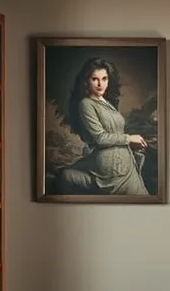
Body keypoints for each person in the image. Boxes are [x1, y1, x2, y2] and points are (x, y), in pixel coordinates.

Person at [55, 57, 150, 196]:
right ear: (86, 81)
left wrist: (130, 145)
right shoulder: (86, 104)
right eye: (95, 79)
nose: (100, 84)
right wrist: (128, 139)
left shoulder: (106, 101)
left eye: (104, 79)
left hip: (124, 161)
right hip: (111, 168)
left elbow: (115, 132)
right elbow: (100, 138)